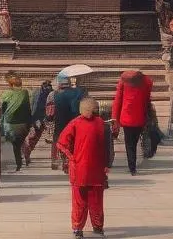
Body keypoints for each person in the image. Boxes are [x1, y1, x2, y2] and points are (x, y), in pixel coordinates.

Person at [58, 97, 111, 239]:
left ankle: (77, 228)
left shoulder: (74, 123)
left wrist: (71, 157)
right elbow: (109, 148)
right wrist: (108, 165)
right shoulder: (103, 125)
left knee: (79, 202)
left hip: (79, 169)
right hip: (97, 170)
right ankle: (98, 227)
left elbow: (61, 143)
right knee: (96, 201)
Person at [110, 69, 153, 176]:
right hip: (140, 117)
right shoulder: (145, 82)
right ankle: (133, 163)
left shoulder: (123, 82)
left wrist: (115, 118)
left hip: (126, 118)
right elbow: (147, 99)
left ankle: (132, 166)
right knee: (135, 141)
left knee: (129, 144)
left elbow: (118, 101)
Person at [53, 72, 86, 171]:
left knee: (62, 143)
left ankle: (64, 161)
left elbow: (50, 111)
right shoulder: (78, 92)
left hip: (60, 123)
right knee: (74, 142)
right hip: (75, 121)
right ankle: (72, 162)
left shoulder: (55, 94)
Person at [0, 74, 31, 172]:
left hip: (10, 123)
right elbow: (28, 108)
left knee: (12, 144)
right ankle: (20, 160)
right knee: (19, 143)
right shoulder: (25, 93)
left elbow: (1, 107)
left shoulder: (6, 93)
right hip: (24, 123)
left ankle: (16, 162)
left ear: (10, 84)